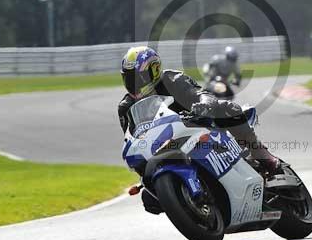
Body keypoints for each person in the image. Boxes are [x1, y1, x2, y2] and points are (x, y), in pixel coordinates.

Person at [117, 46, 280, 190]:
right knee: (149, 198)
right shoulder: (126, 106)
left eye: (139, 77)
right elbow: (132, 137)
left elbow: (200, 93)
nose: (135, 83)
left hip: (199, 127)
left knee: (229, 108)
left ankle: (262, 155)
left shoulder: (172, 79)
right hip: (163, 146)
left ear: (154, 70)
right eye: (130, 78)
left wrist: (204, 103)